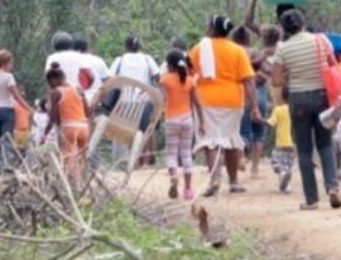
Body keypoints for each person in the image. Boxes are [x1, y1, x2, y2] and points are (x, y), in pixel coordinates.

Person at [271, 9, 341, 209]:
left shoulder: (283, 49)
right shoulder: (320, 41)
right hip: (321, 97)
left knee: (303, 149)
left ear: (284, 28)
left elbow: (276, 81)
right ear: (303, 22)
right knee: (325, 144)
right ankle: (332, 187)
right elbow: (331, 64)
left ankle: (311, 199)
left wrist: (292, 75)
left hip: (298, 99)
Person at [190, 15, 262, 196]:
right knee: (231, 140)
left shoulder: (199, 49)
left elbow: (189, 76)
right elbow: (248, 80)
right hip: (233, 101)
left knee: (211, 142)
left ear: (212, 29)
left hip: (206, 101)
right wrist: (254, 106)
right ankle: (234, 181)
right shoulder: (237, 51)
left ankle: (215, 180)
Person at [108, 34, 162, 167]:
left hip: (125, 102)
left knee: (130, 132)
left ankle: (135, 163)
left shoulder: (120, 60)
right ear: (139, 46)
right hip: (144, 101)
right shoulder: (147, 59)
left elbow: (110, 79)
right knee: (146, 130)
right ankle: (145, 162)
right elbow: (158, 77)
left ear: (126, 47)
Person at [160, 50, 204, 201]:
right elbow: (197, 103)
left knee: (172, 153)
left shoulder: (165, 80)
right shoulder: (190, 81)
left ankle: (173, 177)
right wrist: (202, 123)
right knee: (186, 153)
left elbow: (162, 100)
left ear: (170, 65)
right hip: (187, 119)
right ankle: (188, 189)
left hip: (171, 119)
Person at [0, 49, 33, 170]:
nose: (11, 66)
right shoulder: (8, 77)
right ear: (4, 63)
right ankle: (6, 165)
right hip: (7, 112)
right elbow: (17, 96)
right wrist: (29, 109)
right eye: (11, 63)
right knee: (6, 139)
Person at [231, 26, 270, 180]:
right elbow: (267, 71)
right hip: (260, 92)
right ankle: (254, 168)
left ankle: (241, 157)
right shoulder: (256, 52)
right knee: (259, 132)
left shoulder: (233, 51)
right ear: (249, 38)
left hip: (242, 93)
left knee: (243, 131)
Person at [42, 62, 91, 182]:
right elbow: (88, 112)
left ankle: (71, 183)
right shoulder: (79, 89)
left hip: (68, 127)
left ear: (54, 80)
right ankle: (84, 181)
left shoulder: (57, 92)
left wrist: (45, 134)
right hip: (83, 127)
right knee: (82, 157)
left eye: (49, 83)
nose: (50, 86)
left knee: (68, 158)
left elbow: (53, 117)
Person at [268, 95, 296, 194]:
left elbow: (271, 123)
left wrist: (260, 120)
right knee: (288, 165)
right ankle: (287, 186)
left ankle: (283, 175)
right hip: (292, 145)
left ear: (282, 97)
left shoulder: (278, 109)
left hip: (280, 143)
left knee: (277, 164)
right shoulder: (295, 110)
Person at [73, 36, 110, 106]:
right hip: (96, 103)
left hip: (76, 103)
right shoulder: (98, 60)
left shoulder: (71, 62)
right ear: (87, 47)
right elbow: (107, 82)